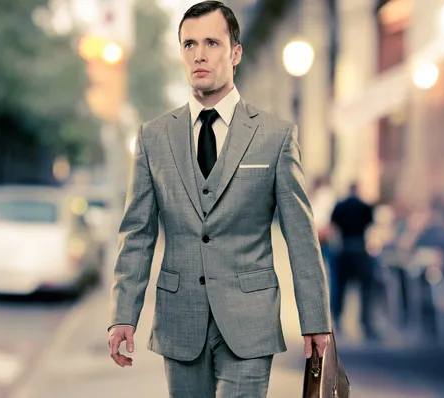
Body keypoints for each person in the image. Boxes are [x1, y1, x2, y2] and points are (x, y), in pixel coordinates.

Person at [107, 2, 331, 397]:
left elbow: (300, 236)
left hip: (250, 320)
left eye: (212, 42)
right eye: (189, 44)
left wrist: (316, 318)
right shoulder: (153, 138)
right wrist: (123, 314)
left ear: (236, 52)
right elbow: (137, 234)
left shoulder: (275, 136)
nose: (200, 53)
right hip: (180, 319)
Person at [329, 182, 376, 339]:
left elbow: (333, 227)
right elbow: (371, 227)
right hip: (360, 250)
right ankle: (365, 322)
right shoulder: (365, 207)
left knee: (340, 288)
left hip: (344, 249)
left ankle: (338, 318)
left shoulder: (340, 206)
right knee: (365, 290)